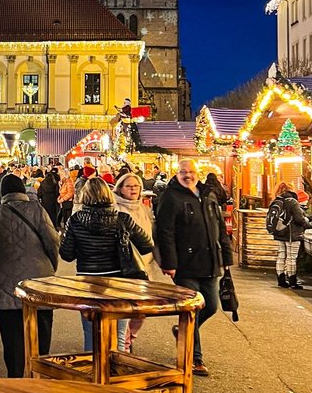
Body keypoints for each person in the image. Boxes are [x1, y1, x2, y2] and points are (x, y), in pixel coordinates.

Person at [156, 159, 234, 377]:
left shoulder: (208, 194)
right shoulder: (170, 197)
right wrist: (169, 263)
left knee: (211, 306)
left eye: (190, 171)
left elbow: (219, 228)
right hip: (184, 264)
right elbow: (165, 232)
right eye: (183, 172)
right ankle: (194, 358)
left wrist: (226, 257)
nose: (187, 175)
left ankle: (183, 331)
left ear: (197, 173)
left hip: (210, 261)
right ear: (176, 173)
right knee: (193, 308)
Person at [0, 174, 59, 377]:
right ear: (23, 190)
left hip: (6, 283)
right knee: (41, 332)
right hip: (39, 281)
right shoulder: (38, 210)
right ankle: (38, 375)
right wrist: (51, 266)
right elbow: (53, 241)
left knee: (12, 337)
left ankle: (15, 378)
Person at [59, 177, 153, 353]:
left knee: (90, 330)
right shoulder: (122, 219)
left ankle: (93, 373)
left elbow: (66, 255)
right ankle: (116, 373)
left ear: (85, 196)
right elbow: (147, 245)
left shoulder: (75, 220)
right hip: (118, 280)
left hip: (88, 280)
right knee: (119, 331)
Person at [113, 173, 155, 352]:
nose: (133, 189)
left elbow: (151, 237)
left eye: (136, 186)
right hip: (125, 267)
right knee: (127, 310)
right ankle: (125, 346)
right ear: (120, 189)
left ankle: (129, 338)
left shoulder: (144, 209)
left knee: (142, 311)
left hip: (144, 266)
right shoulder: (115, 209)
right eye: (129, 186)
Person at [270, 182, 312, 289]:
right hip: (292, 234)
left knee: (281, 255)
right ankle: (292, 281)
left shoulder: (276, 201)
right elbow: (299, 219)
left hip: (279, 232)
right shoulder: (292, 201)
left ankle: (281, 280)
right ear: (290, 190)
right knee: (291, 257)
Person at [58, 164, 75, 229]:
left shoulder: (69, 181)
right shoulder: (64, 182)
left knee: (67, 219)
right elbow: (62, 191)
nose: (60, 176)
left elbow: (70, 193)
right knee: (64, 218)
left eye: (61, 174)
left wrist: (62, 199)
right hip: (64, 202)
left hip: (68, 202)